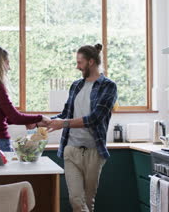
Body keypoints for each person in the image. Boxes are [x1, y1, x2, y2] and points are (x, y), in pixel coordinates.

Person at [47, 44, 118, 212]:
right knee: (76, 200)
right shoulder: (76, 85)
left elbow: (95, 118)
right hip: (71, 150)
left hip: (94, 151)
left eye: (80, 62)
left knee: (88, 200)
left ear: (91, 62)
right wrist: (42, 122)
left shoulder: (108, 86)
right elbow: (66, 113)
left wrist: (63, 124)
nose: (77, 66)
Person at [0, 46, 50, 152]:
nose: (9, 67)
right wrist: (40, 117)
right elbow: (15, 117)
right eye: (7, 63)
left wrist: (31, 121)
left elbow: (1, 119)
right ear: (0, 64)